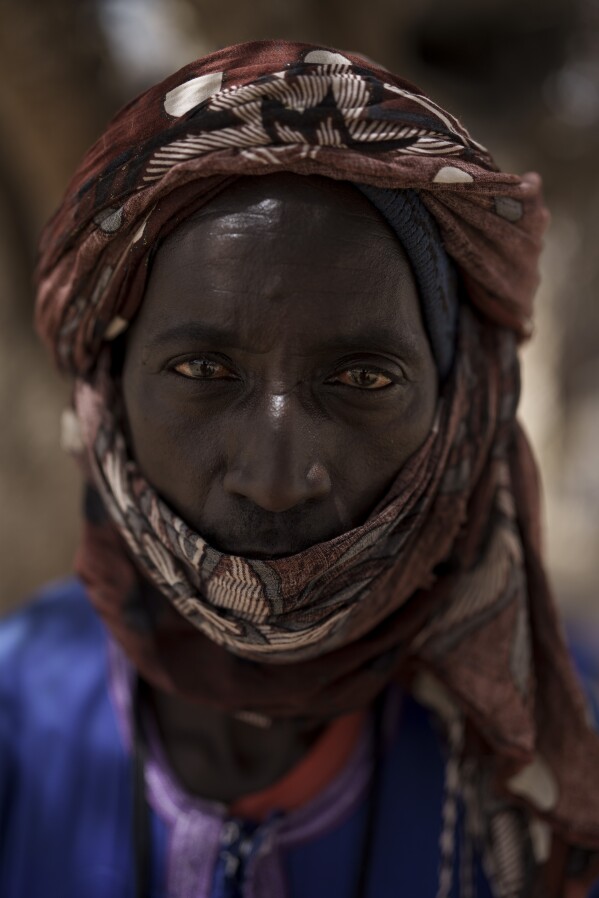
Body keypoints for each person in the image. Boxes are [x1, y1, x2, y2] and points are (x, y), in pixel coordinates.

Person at [1, 39, 598, 898]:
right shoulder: (17, 712)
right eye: (202, 372)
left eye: (362, 379)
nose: (277, 478)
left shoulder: (558, 755)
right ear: (108, 391)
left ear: (460, 403)